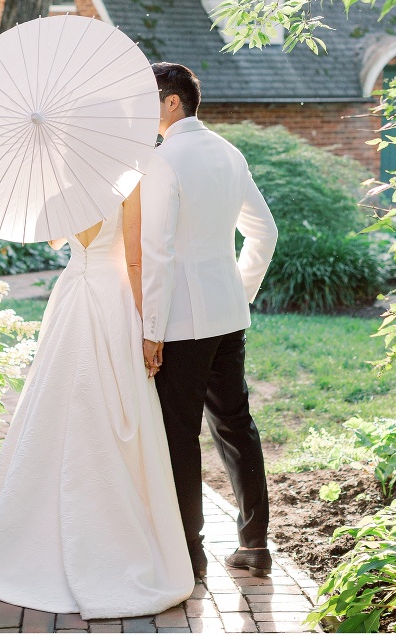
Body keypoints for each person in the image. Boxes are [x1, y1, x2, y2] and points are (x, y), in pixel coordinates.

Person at [0, 186, 194, 618]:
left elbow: (54, 241)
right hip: (112, 296)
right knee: (113, 403)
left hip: (72, 292)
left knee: (55, 397)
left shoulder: (64, 184)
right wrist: (149, 328)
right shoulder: (129, 182)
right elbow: (135, 258)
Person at [140, 62, 278, 580]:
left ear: (172, 101)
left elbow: (158, 250)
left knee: (179, 432)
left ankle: (190, 552)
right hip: (226, 313)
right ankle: (255, 544)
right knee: (236, 425)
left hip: (179, 321)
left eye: (148, 99)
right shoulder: (229, 152)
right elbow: (265, 233)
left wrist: (151, 329)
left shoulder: (162, 161)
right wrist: (236, 292)